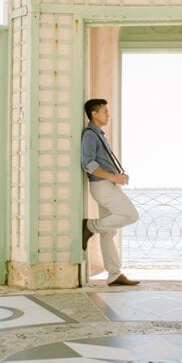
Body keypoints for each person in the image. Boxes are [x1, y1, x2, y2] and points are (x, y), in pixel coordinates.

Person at [81, 98, 140, 286]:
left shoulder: (98, 134)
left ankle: (114, 274)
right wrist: (114, 178)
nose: (108, 115)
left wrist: (117, 175)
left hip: (106, 184)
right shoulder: (90, 135)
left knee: (109, 232)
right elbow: (88, 164)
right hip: (102, 186)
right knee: (131, 215)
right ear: (94, 114)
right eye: (105, 111)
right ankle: (90, 226)